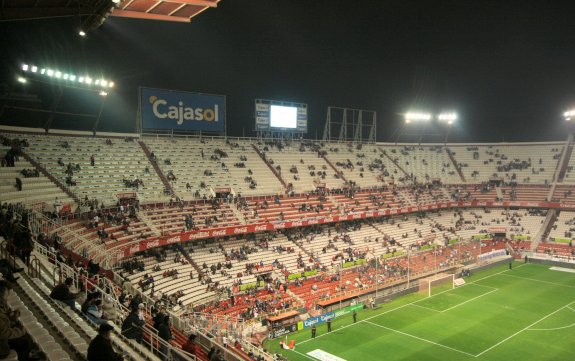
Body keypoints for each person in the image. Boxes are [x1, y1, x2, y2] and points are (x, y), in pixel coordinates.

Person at [0, 280, 43, 361]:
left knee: (24, 339)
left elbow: (4, 319)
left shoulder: (2, 303)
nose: (8, 295)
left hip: (2, 340)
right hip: (1, 347)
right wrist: (20, 331)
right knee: (24, 342)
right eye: (7, 293)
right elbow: (4, 333)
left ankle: (28, 355)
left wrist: (11, 316)